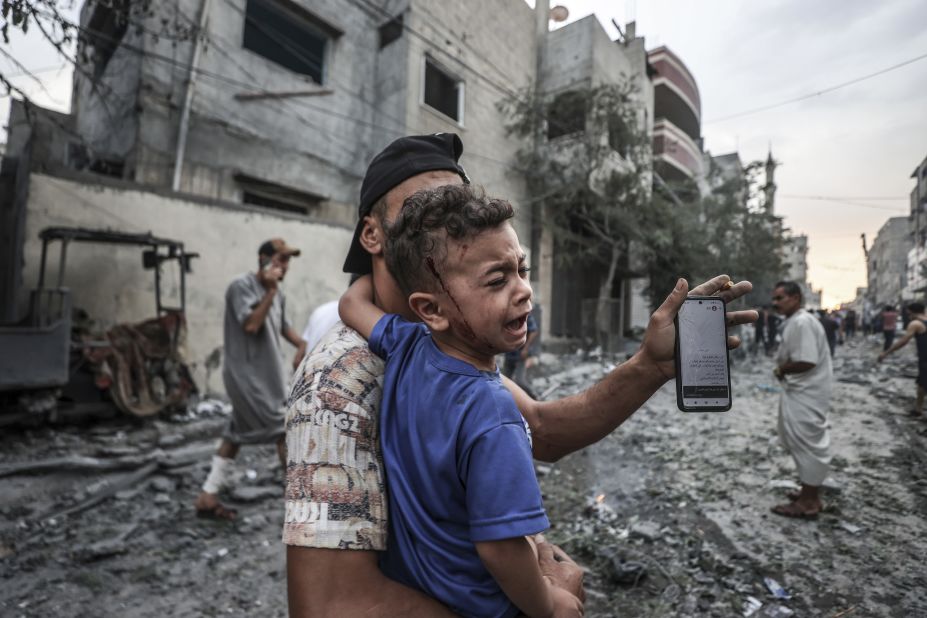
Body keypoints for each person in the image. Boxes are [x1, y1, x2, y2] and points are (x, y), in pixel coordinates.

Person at [283, 133, 758, 616]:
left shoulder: (428, 345)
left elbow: (542, 428)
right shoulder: (339, 380)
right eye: (423, 209)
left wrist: (650, 367)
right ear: (373, 235)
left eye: (460, 202)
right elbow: (329, 606)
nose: (449, 217)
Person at [340, 185, 581, 617]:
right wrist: (549, 605)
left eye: (521, 269)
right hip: (485, 606)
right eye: (498, 279)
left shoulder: (407, 344)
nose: (524, 290)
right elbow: (502, 549)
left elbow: (351, 303)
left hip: (422, 591)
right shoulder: (492, 412)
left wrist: (382, 259)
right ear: (431, 310)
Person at [194, 239, 307, 520]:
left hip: (267, 375)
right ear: (263, 259)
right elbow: (252, 324)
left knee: (235, 434)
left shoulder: (277, 294)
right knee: (284, 429)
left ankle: (208, 495)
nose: (284, 267)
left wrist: (303, 344)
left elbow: (281, 326)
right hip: (247, 376)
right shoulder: (241, 287)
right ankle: (299, 499)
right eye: (280, 260)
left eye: (287, 261)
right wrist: (269, 291)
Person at [770, 281, 833, 519]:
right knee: (799, 439)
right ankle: (809, 493)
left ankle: (808, 502)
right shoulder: (797, 321)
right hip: (802, 391)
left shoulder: (802, 322)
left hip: (807, 392)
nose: (775, 303)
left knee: (808, 442)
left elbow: (807, 360)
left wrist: (782, 370)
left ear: (796, 298)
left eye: (780, 298)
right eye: (774, 299)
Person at [878, 301, 927, 417]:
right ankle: (918, 409)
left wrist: (886, 352)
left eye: (908, 313)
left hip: (925, 359)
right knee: (922, 383)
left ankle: (918, 409)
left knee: (923, 383)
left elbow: (903, 341)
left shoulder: (915, 323)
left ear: (911, 313)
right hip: (924, 358)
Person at [502, 308, 540, 397]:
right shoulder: (506, 315)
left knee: (520, 381)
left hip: (520, 354)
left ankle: (534, 397)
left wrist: (526, 348)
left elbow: (534, 331)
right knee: (503, 381)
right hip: (509, 353)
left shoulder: (524, 314)